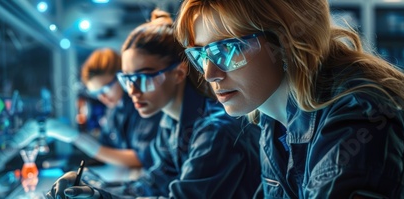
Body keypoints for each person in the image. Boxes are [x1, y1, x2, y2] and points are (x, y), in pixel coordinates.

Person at [173, 0, 404, 198]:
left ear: (285, 40)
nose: (210, 73)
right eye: (201, 55)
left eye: (228, 49)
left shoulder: (360, 115)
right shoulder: (273, 120)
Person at [47, 9, 262, 199]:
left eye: (143, 78)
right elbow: (150, 185)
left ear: (178, 73)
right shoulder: (170, 125)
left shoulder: (215, 131)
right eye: (128, 79)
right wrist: (92, 190)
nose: (133, 91)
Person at [76, 48, 162, 169]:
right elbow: (106, 145)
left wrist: (77, 138)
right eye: (97, 93)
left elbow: (141, 158)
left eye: (105, 89)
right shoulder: (112, 110)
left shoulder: (142, 105)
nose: (102, 97)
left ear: (121, 77)